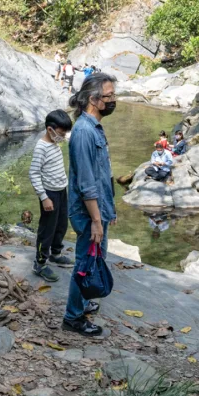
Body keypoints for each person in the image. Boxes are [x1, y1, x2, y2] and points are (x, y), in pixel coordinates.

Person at [62, 72, 118, 337]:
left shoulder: (95, 126)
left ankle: (83, 302)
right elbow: (86, 183)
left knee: (96, 259)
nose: (113, 100)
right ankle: (73, 317)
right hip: (87, 213)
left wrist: (110, 210)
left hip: (99, 209)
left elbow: (102, 174)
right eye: (109, 96)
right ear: (93, 99)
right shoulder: (84, 132)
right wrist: (96, 221)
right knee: (84, 264)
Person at [29, 109, 74, 282]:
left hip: (61, 190)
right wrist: (44, 197)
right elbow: (34, 173)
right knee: (47, 228)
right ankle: (39, 263)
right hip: (49, 193)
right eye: (61, 133)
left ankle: (56, 253)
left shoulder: (54, 143)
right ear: (50, 130)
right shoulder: (41, 147)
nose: (63, 137)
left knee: (61, 223)